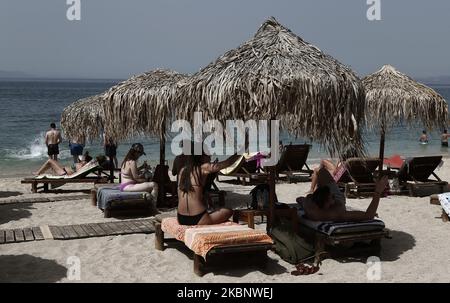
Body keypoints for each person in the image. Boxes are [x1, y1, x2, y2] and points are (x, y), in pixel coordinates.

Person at [298, 167, 388, 222]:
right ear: (327, 204)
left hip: (316, 198)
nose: (332, 195)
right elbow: (369, 216)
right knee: (319, 170)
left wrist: (310, 196)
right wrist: (378, 191)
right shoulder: (336, 213)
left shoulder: (310, 205)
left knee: (319, 171)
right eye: (331, 196)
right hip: (338, 199)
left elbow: (299, 199)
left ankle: (317, 189)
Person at [177, 151, 241, 226]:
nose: (210, 156)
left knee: (215, 211)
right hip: (198, 218)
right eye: (207, 154)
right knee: (229, 211)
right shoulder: (204, 168)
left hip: (181, 218)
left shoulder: (183, 170)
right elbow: (228, 162)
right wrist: (242, 150)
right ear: (201, 157)